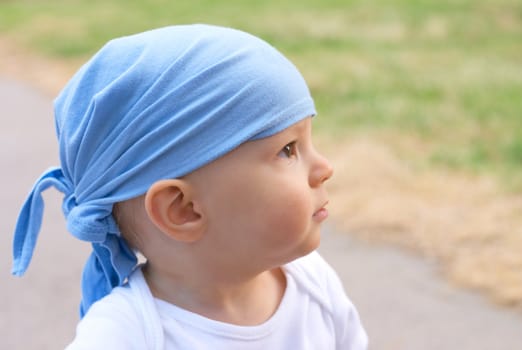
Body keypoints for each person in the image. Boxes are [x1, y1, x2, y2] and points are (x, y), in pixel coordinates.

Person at [12, 24, 368, 349]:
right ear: (183, 209)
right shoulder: (125, 336)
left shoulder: (312, 283)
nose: (324, 168)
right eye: (288, 150)